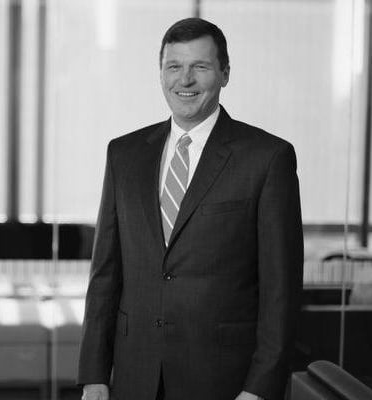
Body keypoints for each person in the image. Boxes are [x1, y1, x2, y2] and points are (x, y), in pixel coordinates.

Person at [77, 17, 303, 400]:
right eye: (174, 66)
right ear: (160, 73)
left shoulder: (267, 158)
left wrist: (260, 388)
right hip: (135, 376)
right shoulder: (124, 155)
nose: (185, 79)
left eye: (200, 66)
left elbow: (281, 290)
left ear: (225, 73)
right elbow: (105, 276)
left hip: (223, 380)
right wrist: (94, 374)